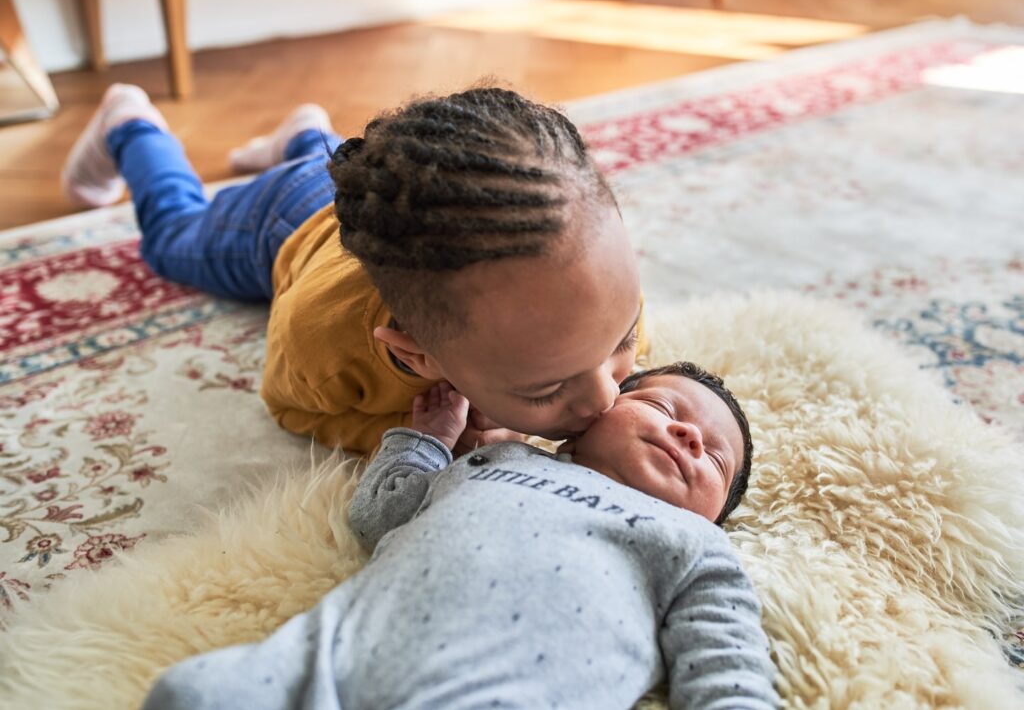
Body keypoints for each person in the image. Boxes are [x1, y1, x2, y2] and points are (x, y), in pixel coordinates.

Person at [141, 362, 779, 710]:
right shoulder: (499, 461)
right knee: (190, 692)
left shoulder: (695, 547)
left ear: (713, 513)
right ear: (581, 426)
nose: (689, 437)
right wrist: (432, 440)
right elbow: (380, 517)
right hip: (331, 663)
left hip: (501, 691)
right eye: (665, 409)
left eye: (715, 459)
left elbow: (725, 663)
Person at [62, 85, 648, 453]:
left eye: (622, 338)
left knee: (338, 163)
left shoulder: (586, 310)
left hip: (385, 196)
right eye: (547, 387)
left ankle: (309, 137)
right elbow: (289, 406)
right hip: (281, 221)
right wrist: (411, 433)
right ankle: (131, 125)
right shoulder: (322, 338)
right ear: (417, 356)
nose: (606, 396)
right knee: (171, 238)